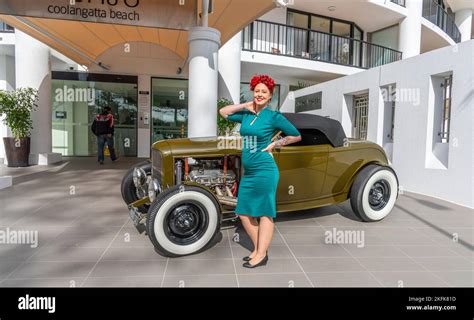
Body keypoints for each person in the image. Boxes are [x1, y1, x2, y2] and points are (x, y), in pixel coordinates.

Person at [219, 74, 302, 268]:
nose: (260, 94)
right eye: (257, 91)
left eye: (264, 92)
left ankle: (260, 253)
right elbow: (223, 112)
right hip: (249, 172)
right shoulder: (247, 114)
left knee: (265, 213)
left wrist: (275, 144)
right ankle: (258, 249)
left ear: (270, 95)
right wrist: (244, 105)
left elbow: (296, 136)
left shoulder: (273, 117)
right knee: (243, 212)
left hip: (265, 169)